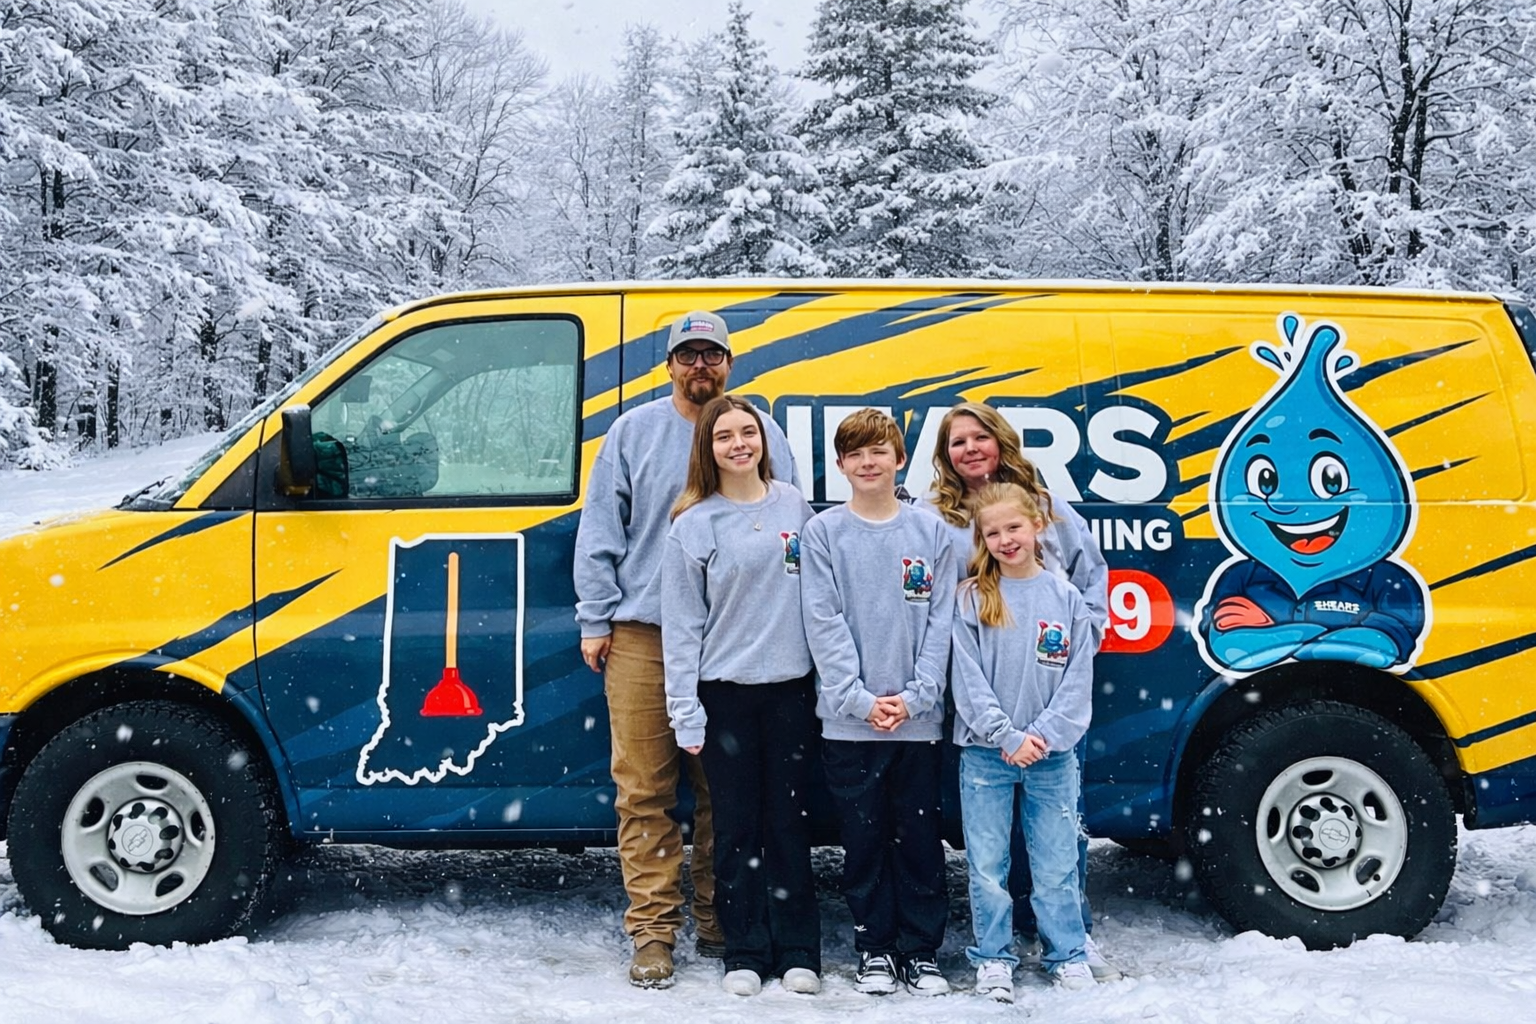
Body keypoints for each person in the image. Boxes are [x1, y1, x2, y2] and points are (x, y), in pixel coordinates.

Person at [573, 310, 799, 988]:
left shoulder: (761, 432)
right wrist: (595, 618)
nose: (700, 366)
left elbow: (790, 522)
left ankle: (720, 919)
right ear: (669, 365)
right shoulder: (632, 432)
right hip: (644, 635)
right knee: (643, 790)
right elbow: (599, 530)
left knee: (722, 796)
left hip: (730, 639)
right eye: (687, 355)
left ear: (729, 364)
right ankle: (652, 933)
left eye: (712, 355)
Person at [927, 401, 1120, 982]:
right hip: (984, 712)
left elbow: (1091, 580)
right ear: (946, 456)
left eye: (979, 437)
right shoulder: (938, 516)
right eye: (957, 442)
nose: (970, 449)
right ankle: (996, 948)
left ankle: (1070, 940)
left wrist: (1076, 645)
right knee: (986, 845)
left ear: (1001, 441)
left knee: (1060, 838)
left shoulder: (1046, 508)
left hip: (1050, 698)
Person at [662, 395, 821, 997]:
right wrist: (685, 708)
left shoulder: (796, 509)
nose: (738, 444)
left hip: (791, 693)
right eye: (723, 436)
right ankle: (746, 952)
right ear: (708, 449)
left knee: (789, 822)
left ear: (764, 440)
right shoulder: (694, 523)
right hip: (724, 695)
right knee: (733, 828)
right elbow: (680, 626)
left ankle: (800, 949)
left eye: (747, 432)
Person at [800, 409, 956, 998]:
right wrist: (859, 699)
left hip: (918, 724)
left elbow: (942, 622)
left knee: (918, 840)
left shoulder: (930, 533)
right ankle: (875, 949)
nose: (869, 463)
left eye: (879, 451)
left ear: (898, 458)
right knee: (863, 841)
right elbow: (823, 620)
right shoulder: (825, 534)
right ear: (841, 466)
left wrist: (917, 696)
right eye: (856, 454)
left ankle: (921, 952)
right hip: (849, 724)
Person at [951, 482, 1097, 996]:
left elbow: (1078, 681)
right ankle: (992, 956)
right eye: (992, 532)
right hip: (986, 754)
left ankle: (1067, 952)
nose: (1005, 539)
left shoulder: (1066, 599)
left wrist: (1042, 736)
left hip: (1052, 758)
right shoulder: (972, 599)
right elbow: (967, 681)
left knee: (1056, 862)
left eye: (1014, 527)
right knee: (989, 866)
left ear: (1037, 526)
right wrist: (1006, 735)